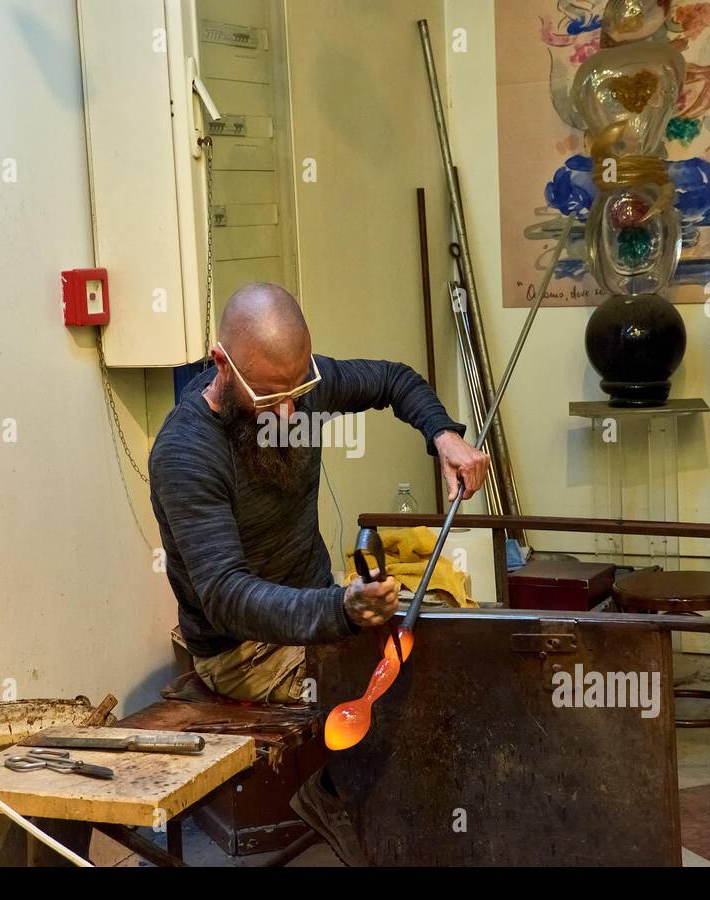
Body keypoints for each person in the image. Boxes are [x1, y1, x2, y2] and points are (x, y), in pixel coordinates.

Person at [148, 282, 489, 863]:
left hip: (318, 609)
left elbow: (394, 380)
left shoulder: (298, 387)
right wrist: (340, 613)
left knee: (454, 642)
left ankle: (401, 819)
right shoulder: (186, 454)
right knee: (407, 682)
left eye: (298, 391)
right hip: (242, 650)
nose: (287, 413)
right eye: (270, 397)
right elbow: (228, 596)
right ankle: (340, 801)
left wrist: (444, 435)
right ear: (221, 365)